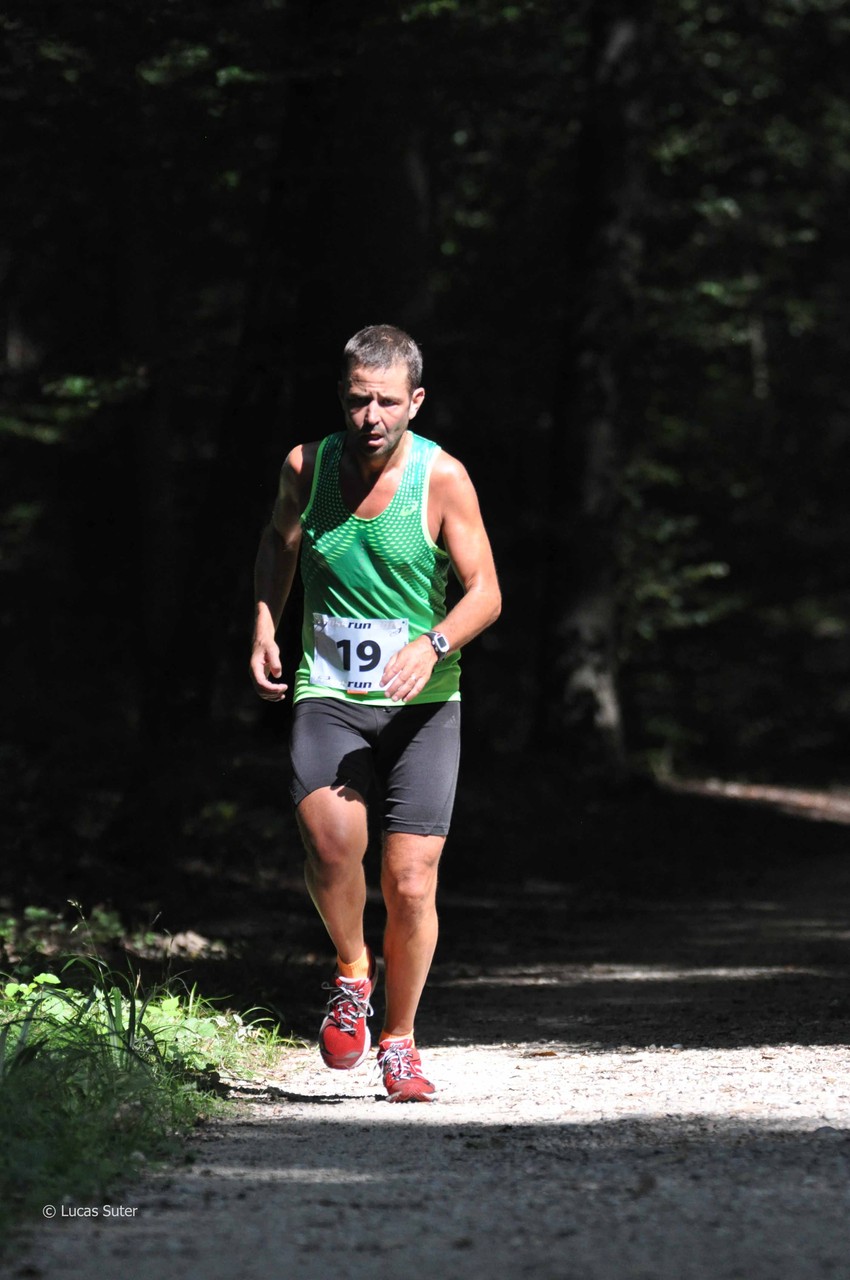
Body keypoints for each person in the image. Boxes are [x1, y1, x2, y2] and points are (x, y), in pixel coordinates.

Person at [249, 324, 500, 1102]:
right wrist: (264, 621)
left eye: (388, 402)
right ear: (342, 396)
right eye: (359, 399)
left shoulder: (443, 478)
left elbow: (486, 592)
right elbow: (279, 540)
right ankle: (353, 972)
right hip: (330, 691)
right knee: (331, 845)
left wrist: (434, 641)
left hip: (423, 705)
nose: (372, 417)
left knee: (412, 881)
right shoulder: (307, 466)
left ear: (415, 402)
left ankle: (399, 1040)